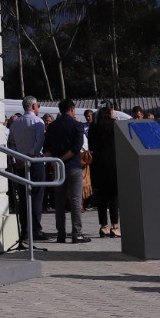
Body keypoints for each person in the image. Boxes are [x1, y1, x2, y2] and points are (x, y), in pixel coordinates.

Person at [43, 98, 91, 243]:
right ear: (72, 109)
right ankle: (77, 233)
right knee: (76, 200)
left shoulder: (52, 127)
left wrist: (55, 161)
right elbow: (77, 147)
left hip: (58, 168)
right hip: (73, 166)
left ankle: (60, 233)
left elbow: (46, 149)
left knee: (59, 202)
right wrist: (64, 159)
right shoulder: (77, 125)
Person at [6, 97, 49, 243]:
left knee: (23, 197)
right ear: (34, 106)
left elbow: (10, 143)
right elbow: (39, 142)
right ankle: (35, 229)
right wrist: (30, 155)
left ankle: (25, 229)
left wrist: (17, 158)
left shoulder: (15, 124)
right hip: (34, 161)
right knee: (37, 196)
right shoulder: (38, 122)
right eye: (38, 105)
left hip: (19, 162)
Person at [88, 105, 122, 237]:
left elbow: (90, 145)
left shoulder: (93, 126)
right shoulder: (115, 125)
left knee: (101, 196)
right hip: (113, 163)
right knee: (114, 195)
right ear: (110, 111)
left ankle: (104, 226)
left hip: (97, 164)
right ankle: (115, 226)